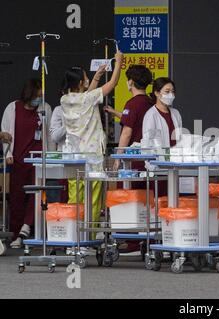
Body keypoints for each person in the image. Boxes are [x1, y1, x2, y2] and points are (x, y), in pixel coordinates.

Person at [60, 53, 122, 230]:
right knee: (93, 201)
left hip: (73, 159)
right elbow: (113, 84)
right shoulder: (88, 98)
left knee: (75, 199)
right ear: (80, 83)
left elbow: (87, 96)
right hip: (92, 157)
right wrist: (119, 63)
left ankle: (72, 235)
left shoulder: (65, 100)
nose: (88, 80)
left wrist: (96, 77)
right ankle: (89, 236)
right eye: (86, 78)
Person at [1, 79, 55, 248]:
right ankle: (17, 234)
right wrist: (7, 153)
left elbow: (50, 135)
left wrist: (52, 156)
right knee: (17, 197)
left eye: (40, 96)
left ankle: (26, 227)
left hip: (38, 160)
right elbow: (5, 132)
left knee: (36, 194)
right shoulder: (13, 107)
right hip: (18, 159)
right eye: (36, 96)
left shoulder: (45, 108)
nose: (38, 99)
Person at [142, 77, 182, 197]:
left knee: (174, 200)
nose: (171, 94)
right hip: (157, 168)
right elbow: (148, 145)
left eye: (173, 91)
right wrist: (152, 167)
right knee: (159, 203)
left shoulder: (176, 114)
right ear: (157, 93)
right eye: (167, 91)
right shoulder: (151, 115)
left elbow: (180, 140)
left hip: (174, 166)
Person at [113, 65, 153, 182]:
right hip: (149, 159)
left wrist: (118, 158)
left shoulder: (132, 104)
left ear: (130, 82)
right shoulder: (151, 102)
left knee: (132, 197)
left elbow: (127, 132)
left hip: (133, 161)